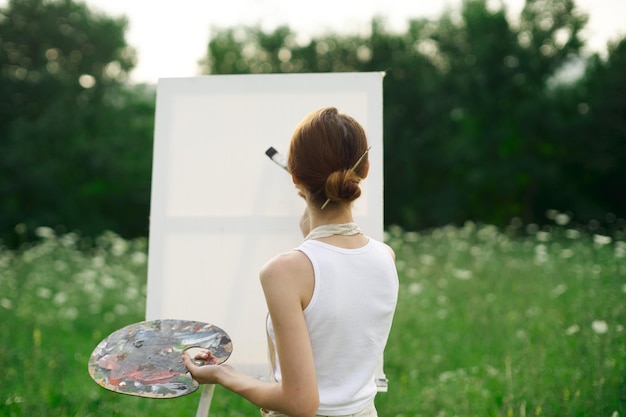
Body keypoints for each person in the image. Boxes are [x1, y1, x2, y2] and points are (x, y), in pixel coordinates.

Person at [182, 107, 399, 417]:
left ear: (295, 178)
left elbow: (300, 402)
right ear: (365, 169)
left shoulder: (284, 272)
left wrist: (222, 373)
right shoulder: (385, 257)